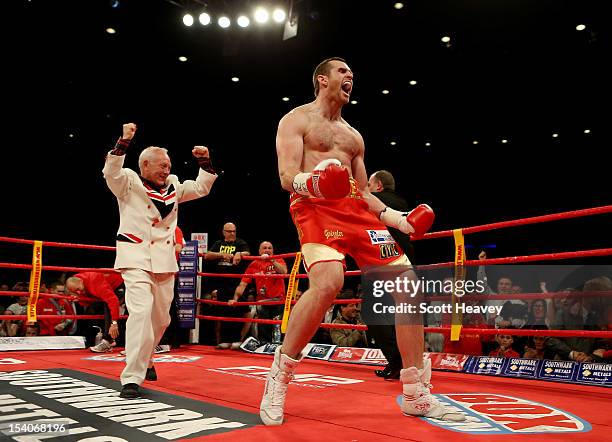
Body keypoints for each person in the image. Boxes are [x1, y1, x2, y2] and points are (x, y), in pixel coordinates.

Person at [260, 57, 463, 425]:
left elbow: (363, 192)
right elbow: (286, 175)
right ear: (322, 79)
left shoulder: (353, 136)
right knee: (329, 283)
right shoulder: (297, 119)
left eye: (352, 73)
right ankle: (280, 373)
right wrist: (316, 182)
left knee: (408, 285)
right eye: (342, 71)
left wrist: (400, 220)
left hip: (355, 214)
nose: (350, 76)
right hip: (315, 207)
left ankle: (415, 392)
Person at [103, 122, 217, 399]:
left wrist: (204, 160)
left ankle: (149, 358)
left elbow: (202, 187)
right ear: (145, 166)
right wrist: (124, 141)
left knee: (161, 319)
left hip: (165, 261)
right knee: (140, 313)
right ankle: (131, 377)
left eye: (168, 165)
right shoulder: (128, 182)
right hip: (135, 256)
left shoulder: (174, 186)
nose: (167, 169)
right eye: (162, 165)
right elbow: (111, 172)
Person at [366, 170, 410, 379]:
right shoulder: (402, 202)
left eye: (369, 184)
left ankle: (396, 362)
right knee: (399, 314)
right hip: (404, 264)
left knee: (372, 313)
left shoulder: (375, 201)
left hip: (381, 262)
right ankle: (406, 363)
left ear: (378, 187)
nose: (366, 188)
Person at [230, 241, 287, 344]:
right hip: (262, 301)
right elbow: (243, 284)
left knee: (277, 328)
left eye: (269, 248)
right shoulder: (254, 263)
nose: (267, 250)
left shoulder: (278, 259)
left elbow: (284, 272)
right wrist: (235, 299)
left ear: (273, 251)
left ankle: (278, 348)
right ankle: (264, 348)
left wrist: (272, 260)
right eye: (264, 248)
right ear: (260, 251)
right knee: (263, 328)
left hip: (278, 299)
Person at [204, 222, 250, 348]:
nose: (232, 234)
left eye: (234, 231)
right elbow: (207, 255)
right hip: (222, 282)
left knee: (238, 310)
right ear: (224, 232)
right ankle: (224, 340)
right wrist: (221, 254)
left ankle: (237, 339)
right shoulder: (219, 244)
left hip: (237, 282)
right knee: (223, 310)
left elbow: (247, 253)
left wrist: (239, 254)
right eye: (229, 231)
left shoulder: (240, 243)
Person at [65, 271, 124, 352]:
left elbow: (113, 300)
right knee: (95, 308)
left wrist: (114, 323)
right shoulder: (78, 282)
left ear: (81, 281)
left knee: (108, 305)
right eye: (75, 291)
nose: (78, 292)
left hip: (122, 283)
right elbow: (88, 302)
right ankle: (106, 339)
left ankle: (107, 341)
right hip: (108, 288)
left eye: (78, 289)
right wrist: (78, 298)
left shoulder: (95, 283)